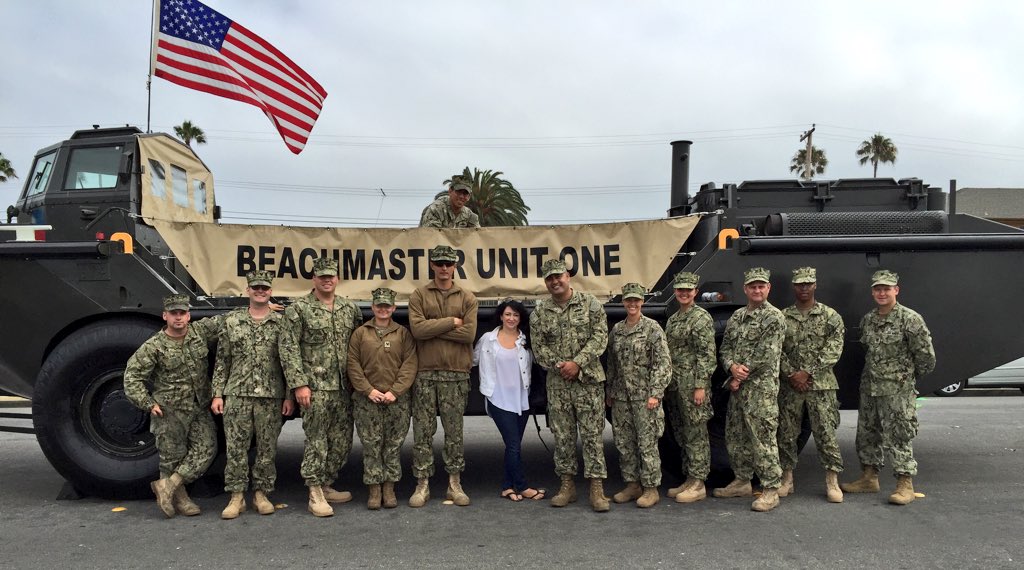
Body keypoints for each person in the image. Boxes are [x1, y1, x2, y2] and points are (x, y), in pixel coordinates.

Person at [123, 294, 225, 518]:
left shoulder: (199, 333)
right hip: (169, 410)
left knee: (207, 449)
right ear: (165, 316)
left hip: (199, 406)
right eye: (173, 314)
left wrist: (262, 306)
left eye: (182, 313)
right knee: (172, 457)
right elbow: (132, 377)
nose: (178, 318)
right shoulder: (154, 346)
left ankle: (167, 486)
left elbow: (227, 320)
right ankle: (180, 499)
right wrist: (148, 403)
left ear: (188, 316)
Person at [842, 270, 935, 505]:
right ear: (873, 292)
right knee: (867, 433)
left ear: (896, 290)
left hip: (897, 390)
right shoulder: (869, 320)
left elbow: (926, 357)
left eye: (887, 288)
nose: (882, 293)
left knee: (899, 435)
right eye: (878, 289)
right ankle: (869, 478)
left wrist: (905, 380)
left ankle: (905, 485)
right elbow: (868, 351)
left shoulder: (910, 319)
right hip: (871, 387)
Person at [280, 257, 363, 517]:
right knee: (317, 440)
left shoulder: (349, 309)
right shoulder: (299, 309)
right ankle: (314, 492)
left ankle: (327, 483)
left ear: (337, 279)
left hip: (343, 387)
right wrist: (299, 384)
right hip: (315, 388)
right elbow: (288, 348)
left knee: (341, 441)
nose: (327, 280)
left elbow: (359, 346)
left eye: (331, 276)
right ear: (314, 279)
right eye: (322, 276)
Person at [210, 270, 294, 519]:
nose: (260, 291)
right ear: (247, 290)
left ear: (270, 291)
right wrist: (217, 394)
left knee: (267, 448)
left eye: (265, 288)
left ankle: (261, 493)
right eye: (255, 287)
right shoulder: (232, 322)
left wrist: (289, 395)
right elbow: (223, 360)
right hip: (237, 394)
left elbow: (288, 362)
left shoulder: (281, 324)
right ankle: (236, 496)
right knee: (236, 447)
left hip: (271, 395)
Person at [530, 259, 611, 512]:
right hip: (559, 384)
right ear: (546, 282)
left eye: (559, 276)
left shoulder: (591, 304)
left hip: (587, 381)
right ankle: (567, 486)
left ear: (568, 276)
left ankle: (597, 489)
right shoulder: (540, 312)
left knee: (592, 435)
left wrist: (577, 363)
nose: (555, 281)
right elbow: (539, 347)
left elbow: (600, 337)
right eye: (550, 278)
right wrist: (561, 366)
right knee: (563, 436)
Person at [407, 245, 479, 507]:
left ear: (455, 266)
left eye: (449, 263)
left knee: (454, 433)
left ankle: (454, 483)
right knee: (423, 433)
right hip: (425, 374)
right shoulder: (419, 295)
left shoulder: (467, 297)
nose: (444, 268)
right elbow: (417, 330)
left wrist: (433, 326)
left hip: (456, 374)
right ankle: (422, 484)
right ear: (433, 266)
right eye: (440, 263)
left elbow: (469, 335)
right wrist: (451, 322)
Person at [715, 267, 786, 512]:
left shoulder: (774, 317)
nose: (757, 290)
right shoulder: (737, 317)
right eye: (753, 286)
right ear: (745, 289)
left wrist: (740, 375)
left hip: (760, 390)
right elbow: (724, 349)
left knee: (762, 438)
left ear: (768, 288)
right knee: (736, 436)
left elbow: (767, 354)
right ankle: (742, 481)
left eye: (761, 286)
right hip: (738, 389)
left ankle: (771, 488)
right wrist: (731, 367)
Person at [776, 267, 846, 503]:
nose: (804, 288)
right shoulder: (782, 317)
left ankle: (832, 481)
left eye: (808, 284)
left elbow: (833, 350)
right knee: (787, 433)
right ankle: (786, 479)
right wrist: (792, 374)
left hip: (821, 386)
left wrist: (808, 373)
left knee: (826, 434)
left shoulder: (830, 316)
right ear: (793, 287)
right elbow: (776, 351)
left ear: (815, 285)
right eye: (799, 284)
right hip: (791, 386)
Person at [347, 287, 418, 510]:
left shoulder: (403, 334)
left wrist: (394, 391)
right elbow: (353, 364)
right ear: (373, 307)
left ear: (394, 308)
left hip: (396, 400)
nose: (383, 309)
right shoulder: (360, 333)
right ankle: (374, 489)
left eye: (387, 306)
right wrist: (368, 390)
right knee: (371, 445)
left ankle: (389, 488)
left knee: (393, 445)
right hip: (367, 400)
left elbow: (409, 364)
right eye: (379, 306)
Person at [606, 283, 671, 508]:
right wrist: (610, 392)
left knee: (647, 444)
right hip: (622, 397)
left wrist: (656, 393)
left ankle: (651, 488)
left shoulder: (652, 329)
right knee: (624, 443)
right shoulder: (617, 330)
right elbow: (612, 364)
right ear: (623, 302)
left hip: (645, 397)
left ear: (642, 302)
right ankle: (633, 485)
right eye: (628, 300)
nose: (632, 304)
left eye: (636, 300)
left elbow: (663, 363)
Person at [473, 299, 544, 502]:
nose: (511, 318)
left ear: (520, 318)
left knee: (513, 446)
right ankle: (522, 486)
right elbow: (471, 360)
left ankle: (507, 486)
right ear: (501, 316)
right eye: (507, 314)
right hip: (498, 399)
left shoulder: (526, 340)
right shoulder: (488, 339)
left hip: (521, 399)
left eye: (515, 315)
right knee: (513, 445)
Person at [663, 271, 717, 504]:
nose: (684, 293)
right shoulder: (674, 319)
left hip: (693, 385)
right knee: (682, 432)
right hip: (676, 386)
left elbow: (707, 355)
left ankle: (698, 482)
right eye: (680, 290)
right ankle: (689, 477)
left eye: (688, 290)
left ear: (695, 292)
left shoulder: (701, 318)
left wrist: (700, 386)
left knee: (696, 433)